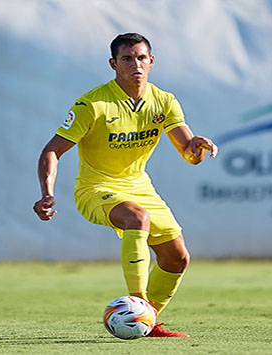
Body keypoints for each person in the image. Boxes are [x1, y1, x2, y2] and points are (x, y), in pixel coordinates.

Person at [33, 33, 218, 337]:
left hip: (140, 187)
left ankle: (148, 321)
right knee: (137, 217)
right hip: (95, 188)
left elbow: (189, 154)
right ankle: (139, 304)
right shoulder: (92, 105)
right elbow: (51, 150)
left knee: (177, 258)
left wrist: (196, 147)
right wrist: (47, 194)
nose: (136, 64)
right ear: (113, 64)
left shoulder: (164, 101)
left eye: (141, 57)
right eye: (127, 59)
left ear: (151, 61)